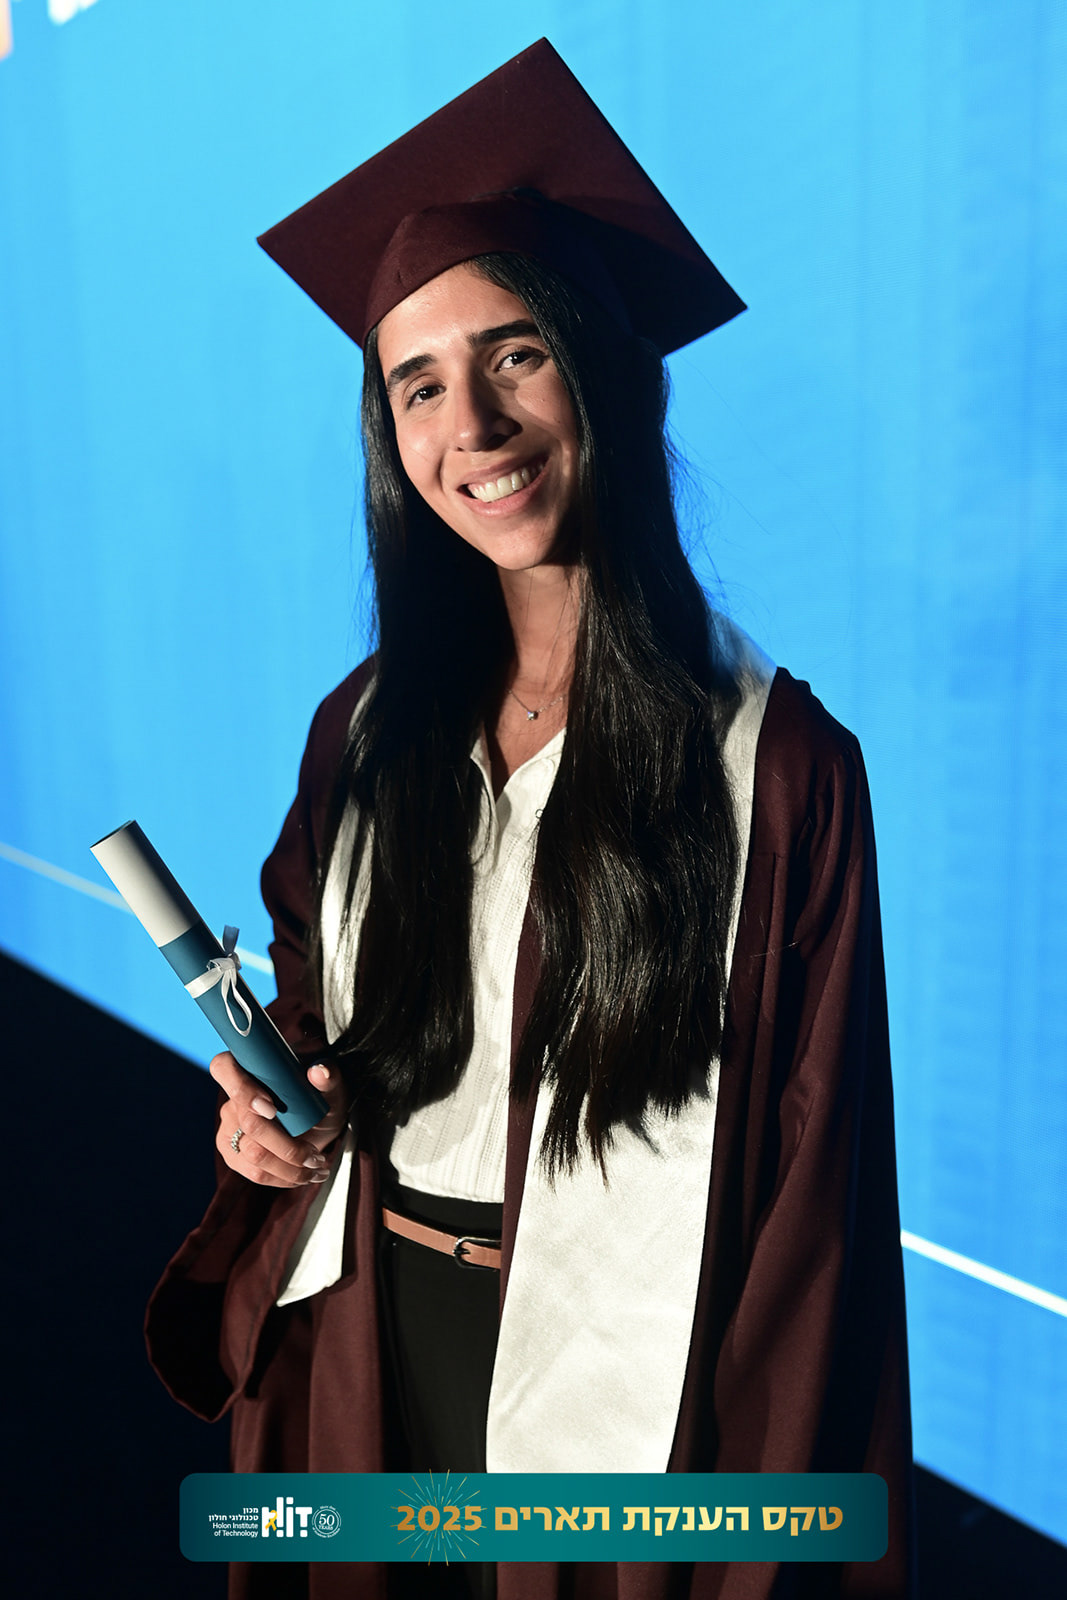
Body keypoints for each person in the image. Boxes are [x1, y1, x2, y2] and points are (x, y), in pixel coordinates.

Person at [147, 39, 915, 1600]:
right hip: (367, 1351)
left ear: (604, 372)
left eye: (516, 355)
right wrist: (274, 1119)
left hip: (628, 1403)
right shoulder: (365, 731)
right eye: (418, 384)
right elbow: (321, 1012)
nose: (474, 428)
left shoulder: (780, 771)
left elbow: (808, 1214)